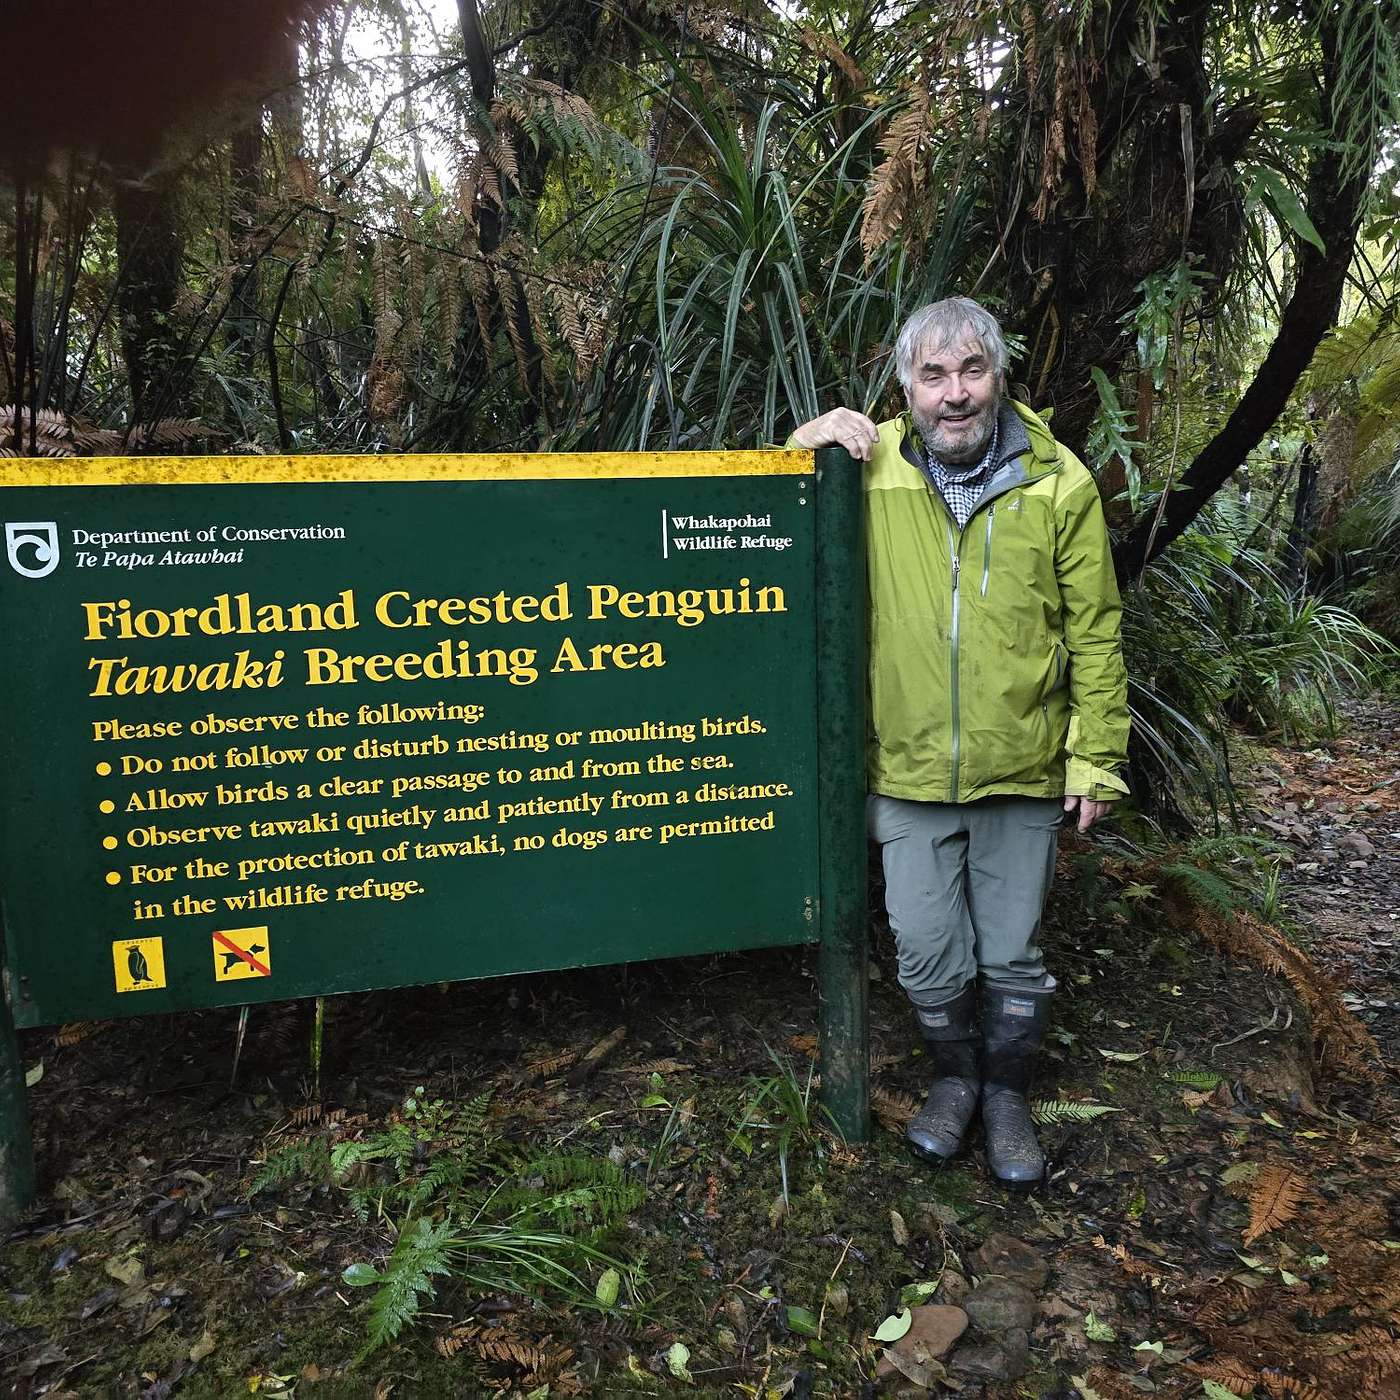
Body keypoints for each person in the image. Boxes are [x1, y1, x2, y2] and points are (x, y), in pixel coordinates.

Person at [790, 297, 1129, 1187]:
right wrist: (804, 441)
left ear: (1000, 377)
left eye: (971, 371)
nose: (954, 394)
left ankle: (1007, 1096)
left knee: (1010, 947)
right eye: (933, 375)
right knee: (925, 941)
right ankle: (954, 1078)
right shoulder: (869, 470)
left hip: (1020, 764)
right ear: (905, 385)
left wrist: (1095, 756)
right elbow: (779, 519)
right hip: (903, 769)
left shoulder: (1059, 482)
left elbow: (1094, 629)